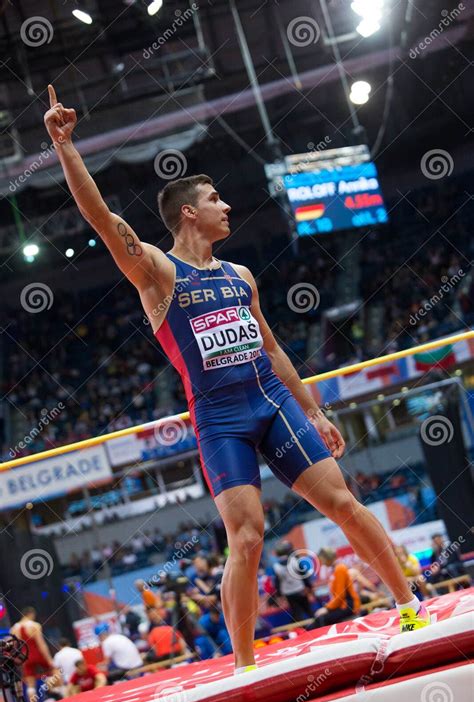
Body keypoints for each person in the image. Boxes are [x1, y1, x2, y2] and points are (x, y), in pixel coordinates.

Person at [44, 85, 430, 672]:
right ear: (188, 213)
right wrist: (64, 144)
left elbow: (273, 349)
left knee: (344, 504)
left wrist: (317, 410)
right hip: (220, 416)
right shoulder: (155, 271)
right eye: (216, 198)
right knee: (247, 539)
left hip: (272, 400)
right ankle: (246, 668)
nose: (229, 206)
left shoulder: (241, 274)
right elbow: (100, 217)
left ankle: (408, 606)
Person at [10, 607, 58, 702]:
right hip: (38, 655)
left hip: (25, 658)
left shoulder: (14, 629)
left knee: (30, 685)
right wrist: (49, 660)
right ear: (31, 614)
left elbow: (14, 649)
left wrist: (19, 662)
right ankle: (55, 697)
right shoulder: (34, 625)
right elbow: (41, 644)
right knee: (52, 673)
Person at [309, 548, 361, 629]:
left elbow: (340, 595)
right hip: (343, 605)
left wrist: (327, 608)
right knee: (319, 618)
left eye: (322, 560)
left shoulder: (340, 568)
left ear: (327, 558)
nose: (322, 563)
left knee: (320, 619)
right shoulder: (335, 569)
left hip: (349, 606)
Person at [272, 541, 315, 622]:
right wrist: (309, 586)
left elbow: (277, 583)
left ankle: (303, 631)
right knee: (308, 610)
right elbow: (304, 575)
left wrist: (279, 595)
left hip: (289, 593)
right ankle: (317, 628)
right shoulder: (295, 561)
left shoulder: (276, 566)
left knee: (297, 613)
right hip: (300, 590)